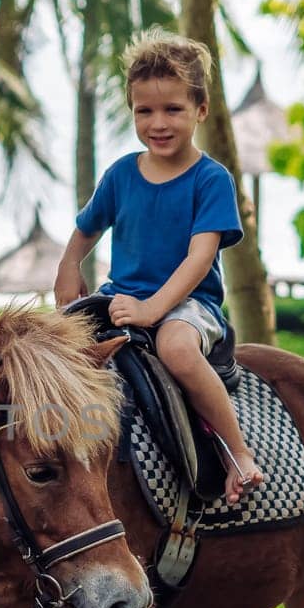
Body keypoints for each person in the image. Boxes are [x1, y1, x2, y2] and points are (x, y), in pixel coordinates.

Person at [54, 27, 266, 505]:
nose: (158, 122)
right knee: (49, 351)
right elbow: (87, 228)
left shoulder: (210, 179)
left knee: (176, 349)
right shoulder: (122, 174)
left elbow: (200, 257)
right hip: (121, 296)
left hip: (188, 305)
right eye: (144, 111)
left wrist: (152, 310)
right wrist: (69, 265)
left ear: (201, 110)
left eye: (173, 109)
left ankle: (238, 454)